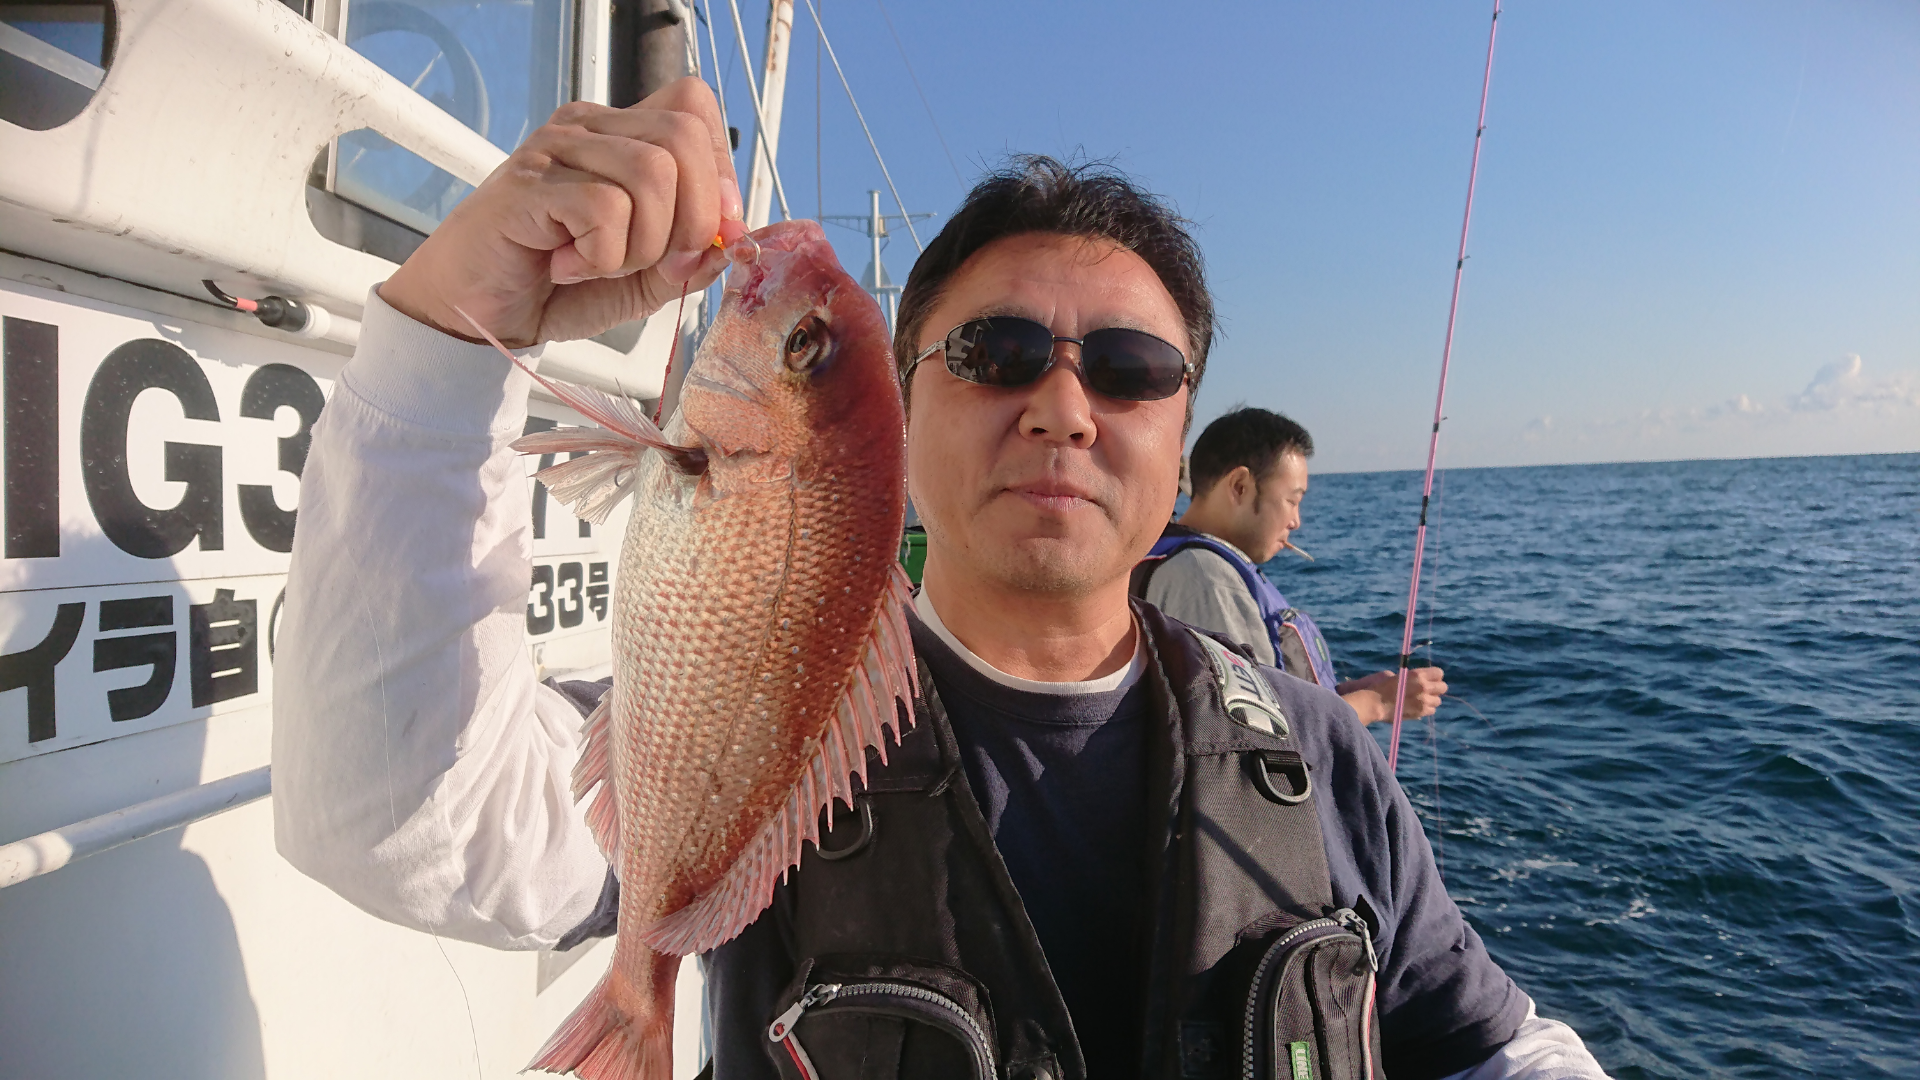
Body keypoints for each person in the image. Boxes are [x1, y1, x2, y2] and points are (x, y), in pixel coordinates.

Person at [272, 79, 1608, 1080]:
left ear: (1181, 442)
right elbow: (397, 814)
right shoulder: (777, 725)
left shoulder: (1317, 753)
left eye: (1131, 371)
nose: (1065, 408)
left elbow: (1495, 1047)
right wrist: (456, 325)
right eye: (996, 354)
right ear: (904, 413)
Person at [1140, 408, 1449, 724]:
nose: (1296, 521)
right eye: (1292, 500)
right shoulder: (1205, 578)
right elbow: (1260, 730)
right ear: (1239, 487)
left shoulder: (1192, 562)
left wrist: (1344, 696)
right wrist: (1378, 703)